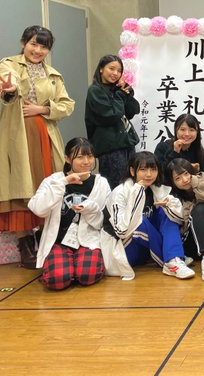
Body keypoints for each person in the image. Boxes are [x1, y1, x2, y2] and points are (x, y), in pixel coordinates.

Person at [0, 25, 75, 267]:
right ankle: (25, 243)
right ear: (23, 43)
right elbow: (9, 88)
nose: (38, 50)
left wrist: (41, 108)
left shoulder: (53, 74)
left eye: (44, 46)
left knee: (46, 182)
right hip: (17, 136)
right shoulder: (9, 64)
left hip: (45, 134)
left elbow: (67, 105)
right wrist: (10, 90)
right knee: (21, 184)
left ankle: (46, 239)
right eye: (33, 44)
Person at [27, 138, 111, 290]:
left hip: (88, 241)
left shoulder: (101, 183)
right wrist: (63, 182)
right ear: (67, 158)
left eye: (90, 156)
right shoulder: (54, 180)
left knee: (87, 276)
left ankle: (74, 269)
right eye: (80, 157)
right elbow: (38, 208)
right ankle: (64, 270)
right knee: (57, 279)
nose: (86, 161)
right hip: (58, 242)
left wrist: (90, 209)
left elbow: (103, 223)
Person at [101, 151, 194, 280]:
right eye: (143, 169)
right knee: (140, 220)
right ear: (132, 171)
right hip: (123, 249)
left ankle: (174, 258)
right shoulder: (120, 193)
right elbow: (121, 231)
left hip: (146, 251)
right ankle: (171, 260)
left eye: (153, 169)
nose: (149, 174)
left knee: (165, 211)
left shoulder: (157, 189)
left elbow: (180, 220)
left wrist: (169, 205)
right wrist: (136, 195)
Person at [85, 54, 140, 187]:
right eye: (111, 68)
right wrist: (121, 95)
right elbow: (112, 115)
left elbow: (134, 110)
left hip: (127, 143)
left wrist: (127, 92)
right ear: (101, 69)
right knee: (116, 186)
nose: (115, 73)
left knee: (131, 184)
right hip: (110, 147)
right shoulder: (95, 91)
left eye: (119, 70)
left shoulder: (117, 90)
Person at [154, 113, 204, 179]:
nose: (187, 134)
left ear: (197, 132)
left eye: (191, 130)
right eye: (182, 129)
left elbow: (202, 177)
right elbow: (160, 174)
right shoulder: (162, 146)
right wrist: (175, 152)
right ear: (176, 130)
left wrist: (196, 171)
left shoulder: (199, 149)